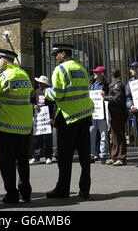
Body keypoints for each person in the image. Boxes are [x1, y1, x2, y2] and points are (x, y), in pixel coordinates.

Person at [44, 43, 94, 199]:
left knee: (64, 157)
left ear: (63, 53)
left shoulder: (60, 69)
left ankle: (63, 189)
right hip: (85, 116)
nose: (55, 58)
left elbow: (57, 94)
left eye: (56, 54)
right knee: (85, 156)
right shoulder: (81, 69)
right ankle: (85, 189)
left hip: (68, 118)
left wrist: (46, 92)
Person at [0, 48, 33, 204]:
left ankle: (12, 194)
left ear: (3, 60)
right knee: (22, 160)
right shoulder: (24, 74)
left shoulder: (0, 75)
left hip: (7, 125)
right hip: (25, 125)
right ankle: (26, 192)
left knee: (7, 162)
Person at [102, 68, 128, 166]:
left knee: (120, 136)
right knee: (114, 136)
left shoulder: (118, 84)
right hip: (113, 113)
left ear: (113, 75)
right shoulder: (114, 84)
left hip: (118, 113)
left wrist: (105, 97)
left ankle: (121, 158)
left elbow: (117, 98)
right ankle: (114, 156)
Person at [29, 75, 55, 165]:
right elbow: (31, 101)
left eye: (41, 83)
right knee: (38, 138)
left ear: (45, 84)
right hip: (39, 120)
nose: (39, 84)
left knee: (48, 139)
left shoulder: (50, 92)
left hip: (47, 119)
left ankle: (49, 156)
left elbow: (54, 106)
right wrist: (34, 106)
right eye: (39, 82)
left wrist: (53, 118)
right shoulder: (36, 92)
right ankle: (36, 157)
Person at [89, 66, 110, 164]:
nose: (95, 74)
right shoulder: (92, 85)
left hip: (102, 114)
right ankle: (91, 154)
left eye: (97, 72)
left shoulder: (106, 85)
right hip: (93, 114)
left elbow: (109, 98)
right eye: (95, 72)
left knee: (103, 135)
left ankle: (103, 154)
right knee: (91, 134)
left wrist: (104, 95)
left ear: (102, 74)